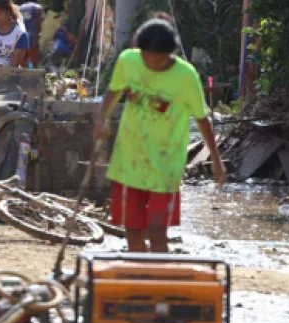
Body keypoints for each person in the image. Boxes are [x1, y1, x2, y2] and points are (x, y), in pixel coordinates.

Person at [93, 19, 226, 253]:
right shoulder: (128, 61)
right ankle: (140, 279)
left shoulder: (186, 76)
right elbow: (114, 90)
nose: (151, 62)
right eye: (146, 56)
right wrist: (101, 118)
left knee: (157, 231)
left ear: (170, 53)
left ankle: (158, 278)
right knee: (132, 230)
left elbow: (201, 118)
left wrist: (215, 158)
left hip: (165, 165)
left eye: (158, 57)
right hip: (130, 160)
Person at [19, 0, 43, 66]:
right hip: (33, 35)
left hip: (21, 35)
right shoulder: (37, 7)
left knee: (22, 58)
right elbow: (38, 21)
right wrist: (39, 31)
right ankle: (34, 73)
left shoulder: (20, 8)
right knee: (34, 58)